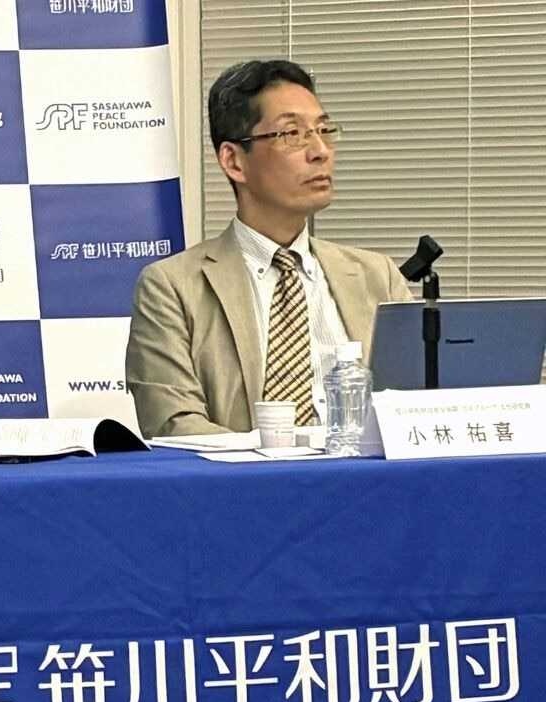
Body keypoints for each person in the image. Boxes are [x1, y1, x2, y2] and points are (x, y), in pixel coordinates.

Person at [125, 59, 410, 438]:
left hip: (361, 475)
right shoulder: (172, 287)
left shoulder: (378, 277)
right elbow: (175, 424)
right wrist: (280, 459)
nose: (320, 151)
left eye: (324, 130)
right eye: (292, 134)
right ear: (234, 161)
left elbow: (419, 408)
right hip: (244, 477)